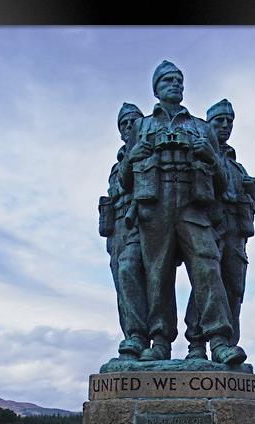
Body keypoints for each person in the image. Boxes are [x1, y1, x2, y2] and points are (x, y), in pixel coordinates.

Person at [119, 61, 247, 364]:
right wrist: (131, 159)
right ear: (156, 88)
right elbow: (126, 181)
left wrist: (211, 157)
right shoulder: (143, 126)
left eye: (179, 80)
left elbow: (223, 181)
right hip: (155, 207)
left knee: (207, 268)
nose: (174, 84)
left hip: (193, 208)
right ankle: (160, 341)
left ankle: (218, 341)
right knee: (157, 275)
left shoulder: (201, 127)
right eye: (167, 81)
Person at [184, 99, 255, 358]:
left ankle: (227, 346)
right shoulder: (199, 154)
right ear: (208, 125)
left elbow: (251, 203)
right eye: (219, 121)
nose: (225, 126)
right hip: (210, 227)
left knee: (234, 289)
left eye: (229, 121)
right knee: (206, 282)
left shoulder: (238, 168)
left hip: (236, 233)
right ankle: (197, 344)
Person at [98, 102, 149, 359]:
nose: (129, 127)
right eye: (124, 123)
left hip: (143, 223)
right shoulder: (117, 165)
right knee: (123, 285)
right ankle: (133, 339)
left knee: (136, 274)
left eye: (133, 122)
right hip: (117, 227)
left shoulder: (148, 154)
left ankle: (146, 336)